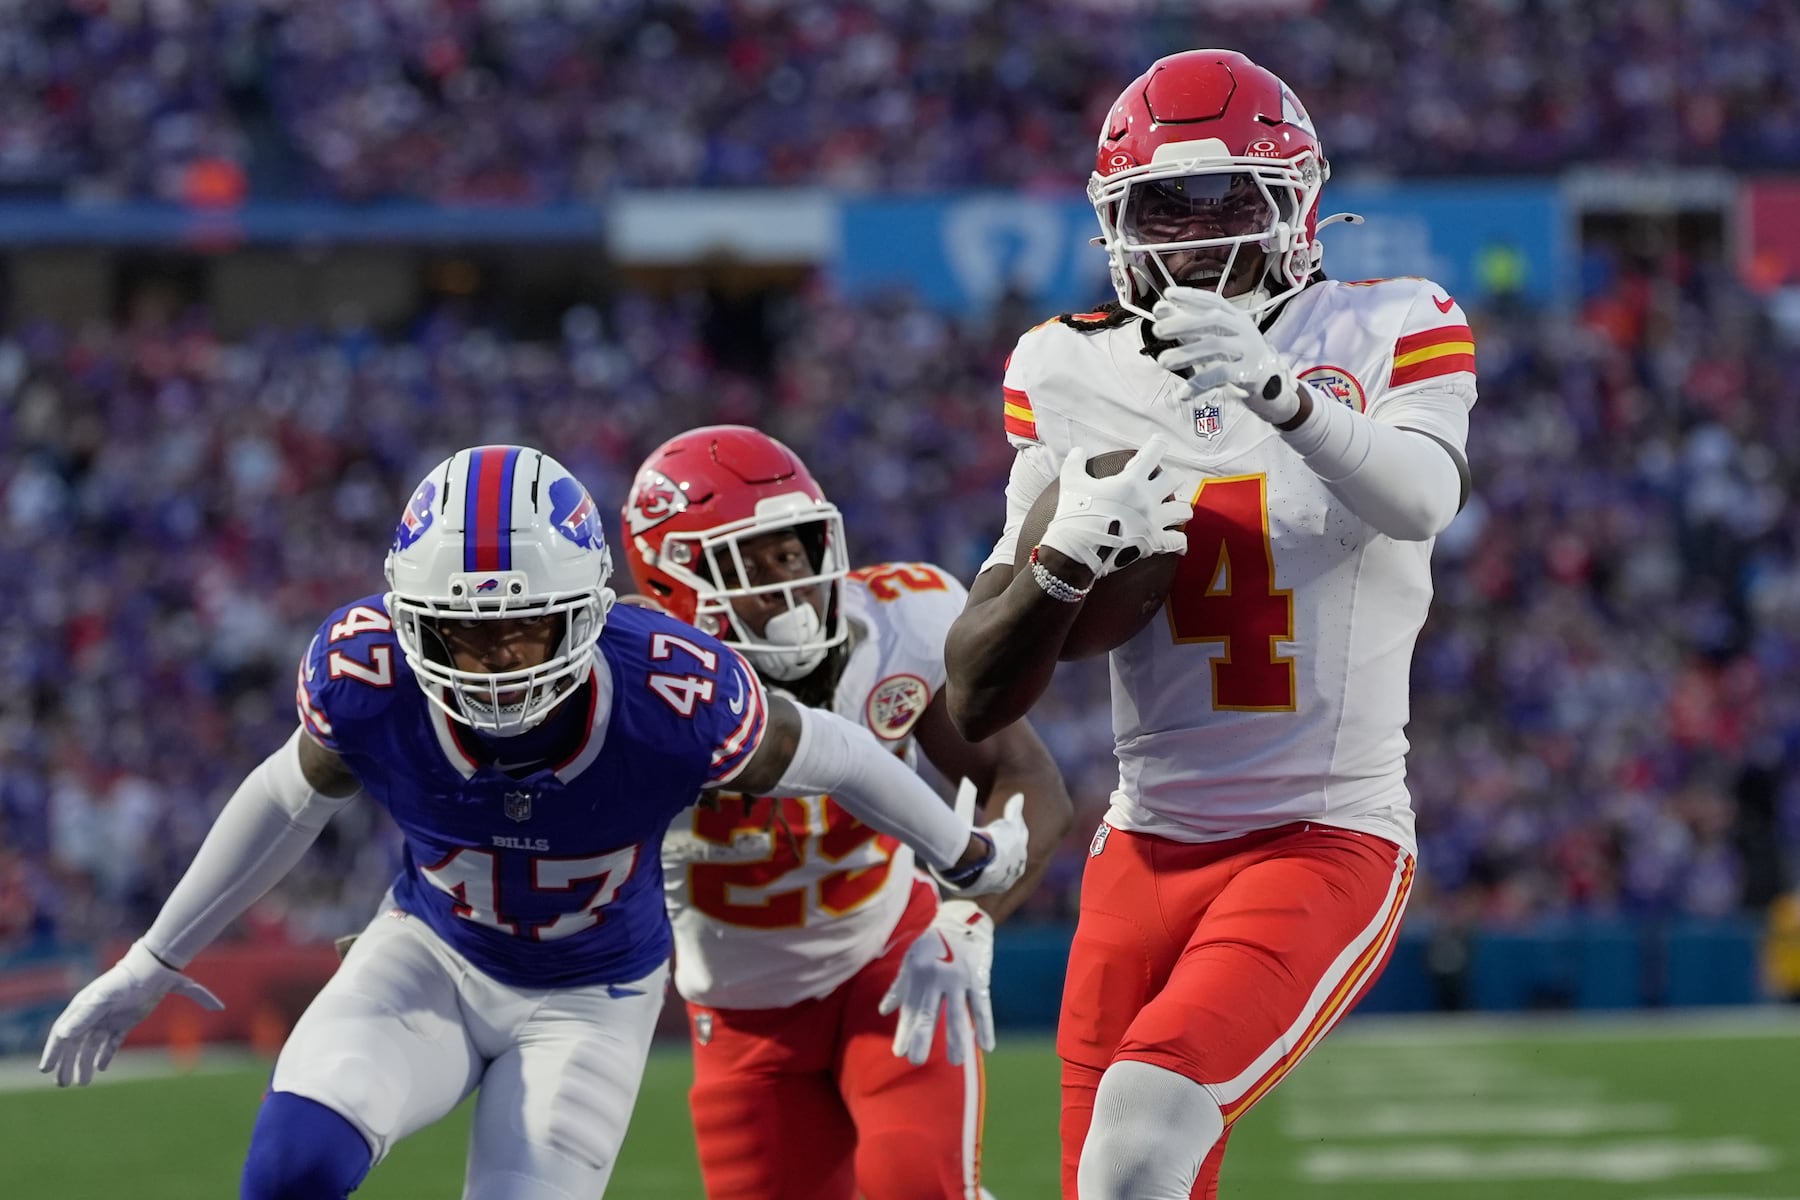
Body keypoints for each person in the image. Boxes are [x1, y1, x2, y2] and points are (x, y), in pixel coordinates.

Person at [38, 445, 1030, 1200]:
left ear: (589, 610)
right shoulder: (367, 674)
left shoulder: (667, 690)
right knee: (292, 1165)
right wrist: (153, 960)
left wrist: (966, 858)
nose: (497, 660)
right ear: (410, 621)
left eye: (524, 625)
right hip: (431, 954)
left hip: (592, 1001)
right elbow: (286, 796)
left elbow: (843, 754)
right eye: (464, 633)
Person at [942, 49, 1476, 1199]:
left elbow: (1425, 498)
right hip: (1142, 844)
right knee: (1118, 1179)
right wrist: (1061, 562)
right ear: (1114, 220)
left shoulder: (1390, 322)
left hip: (1321, 835)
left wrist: (1285, 395)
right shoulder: (1066, 362)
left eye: (1230, 195)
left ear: (1298, 200)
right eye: (1161, 206)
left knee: (1140, 1137)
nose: (1196, 231)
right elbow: (977, 685)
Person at [620, 425, 1073, 1200]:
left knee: (917, 1187)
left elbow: (1031, 781)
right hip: (741, 1021)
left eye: (791, 554)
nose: (788, 587)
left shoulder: (898, 625)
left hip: (890, 967)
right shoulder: (631, 678)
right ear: (677, 583)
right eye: (748, 565)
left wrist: (970, 919)